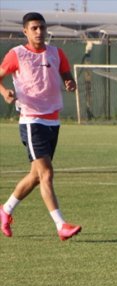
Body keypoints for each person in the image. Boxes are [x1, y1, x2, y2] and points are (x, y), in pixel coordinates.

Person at [0, 12, 81, 241]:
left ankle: (5, 210)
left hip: (52, 121)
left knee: (36, 176)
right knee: (46, 173)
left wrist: (70, 82)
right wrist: (5, 91)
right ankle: (61, 225)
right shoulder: (17, 54)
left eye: (42, 27)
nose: (39, 32)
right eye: (34, 28)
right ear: (25, 31)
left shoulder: (57, 53)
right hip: (31, 120)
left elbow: (66, 75)